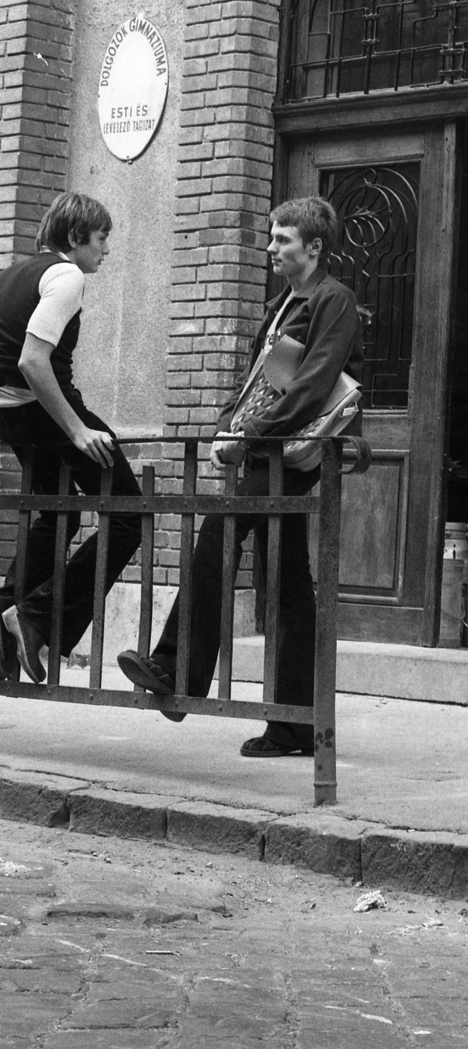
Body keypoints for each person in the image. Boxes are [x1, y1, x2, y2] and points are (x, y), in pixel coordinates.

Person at [117, 195, 362, 757]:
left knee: (217, 534)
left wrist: (248, 435)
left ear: (315, 247)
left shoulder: (334, 301)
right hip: (261, 451)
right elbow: (255, 379)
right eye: (271, 237)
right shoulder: (282, 304)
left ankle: (177, 671)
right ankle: (295, 726)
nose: (271, 247)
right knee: (288, 584)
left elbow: (314, 383)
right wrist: (228, 424)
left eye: (282, 239)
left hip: (293, 454)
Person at [0, 192, 142, 684]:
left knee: (55, 514)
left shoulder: (13, 272)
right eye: (102, 239)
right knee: (129, 513)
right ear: (77, 236)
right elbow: (32, 361)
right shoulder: (67, 275)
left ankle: (5, 635)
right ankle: (38, 617)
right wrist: (78, 430)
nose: (105, 250)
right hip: (42, 409)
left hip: (12, 414)